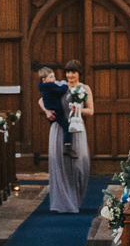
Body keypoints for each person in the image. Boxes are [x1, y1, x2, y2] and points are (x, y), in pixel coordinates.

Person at [37, 62, 91, 211]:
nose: (70, 75)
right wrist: (47, 111)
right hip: (59, 127)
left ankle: (76, 199)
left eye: (73, 72)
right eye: (68, 72)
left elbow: (91, 110)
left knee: (81, 165)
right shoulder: (60, 85)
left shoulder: (85, 88)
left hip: (76, 126)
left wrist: (79, 109)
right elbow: (41, 99)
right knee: (59, 164)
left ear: (79, 73)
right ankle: (64, 202)